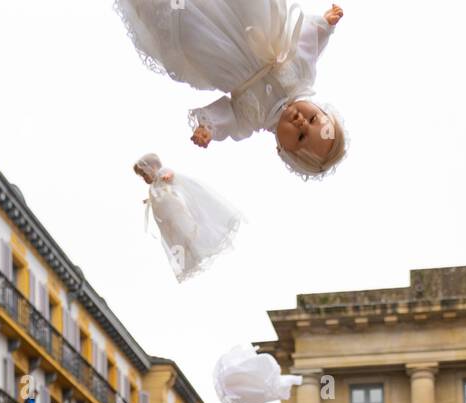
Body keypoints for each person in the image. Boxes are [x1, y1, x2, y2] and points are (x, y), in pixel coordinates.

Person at [116, 0, 348, 179]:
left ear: (282, 149)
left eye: (300, 136)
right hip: (249, 19)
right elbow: (306, 42)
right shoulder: (302, 75)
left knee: (187, 23)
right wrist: (325, 25)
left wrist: (208, 128)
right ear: (320, 108)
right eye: (314, 118)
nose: (302, 122)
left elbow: (229, 117)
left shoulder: (252, 119)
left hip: (215, 48)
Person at [134, 153, 242, 283]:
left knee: (185, 229)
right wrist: (150, 200)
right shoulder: (152, 187)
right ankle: (191, 254)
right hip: (166, 220)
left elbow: (171, 175)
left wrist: (168, 176)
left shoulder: (162, 173)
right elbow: (157, 195)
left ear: (153, 167)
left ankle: (196, 247)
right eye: (142, 176)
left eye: (144, 174)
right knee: (176, 238)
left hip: (174, 211)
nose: (144, 178)